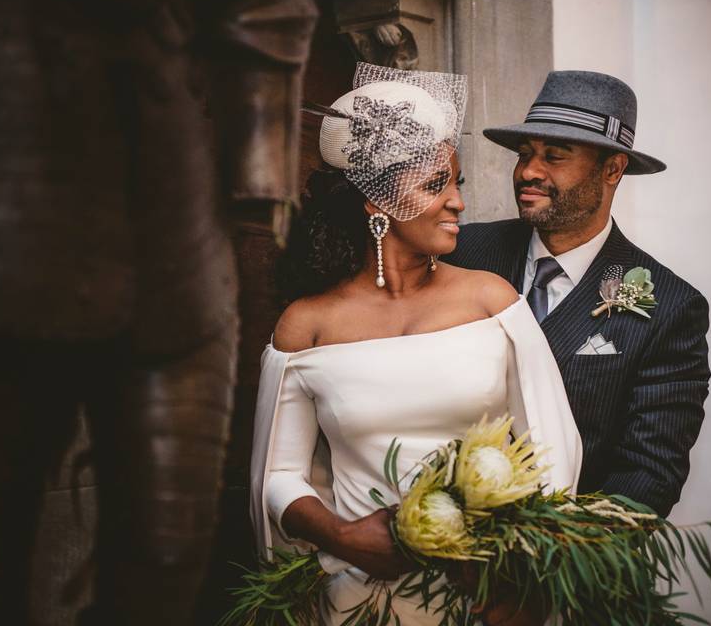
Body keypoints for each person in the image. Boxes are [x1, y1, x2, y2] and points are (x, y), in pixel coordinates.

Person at [249, 63, 583, 625]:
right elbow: (278, 476)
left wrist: (525, 581)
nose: (457, 201)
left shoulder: (490, 302)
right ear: (375, 203)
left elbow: (551, 450)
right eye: (436, 184)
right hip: (359, 597)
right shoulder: (304, 326)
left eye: (457, 183)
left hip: (485, 594)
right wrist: (345, 536)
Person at [444, 71, 710, 518]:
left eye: (555, 156)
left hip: (562, 567)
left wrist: (557, 553)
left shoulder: (671, 307)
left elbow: (650, 471)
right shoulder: (464, 252)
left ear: (612, 169)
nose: (529, 171)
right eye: (525, 154)